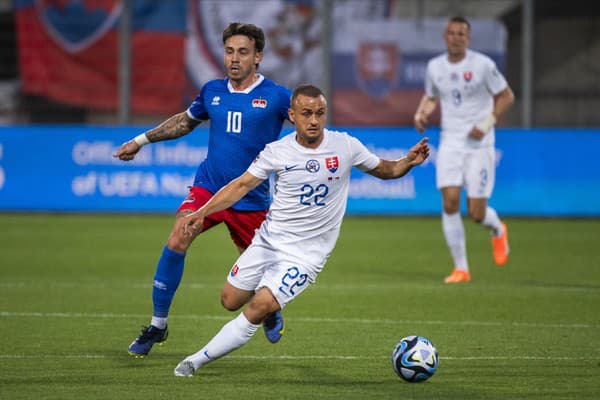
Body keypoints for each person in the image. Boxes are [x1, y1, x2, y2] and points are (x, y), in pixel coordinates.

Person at [172, 84, 430, 377]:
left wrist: (408, 161)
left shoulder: (345, 146)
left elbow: (385, 169)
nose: (314, 120)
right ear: (292, 115)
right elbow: (241, 185)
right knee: (229, 300)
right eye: (306, 113)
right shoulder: (277, 151)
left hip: (307, 254)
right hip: (268, 241)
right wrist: (202, 212)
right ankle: (270, 301)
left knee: (260, 305)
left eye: (320, 113)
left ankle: (194, 361)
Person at [113, 22, 292, 357]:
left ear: (258, 58)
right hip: (208, 188)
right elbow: (184, 121)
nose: (234, 58)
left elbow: (308, 126)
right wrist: (140, 141)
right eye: (229, 51)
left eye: (243, 52)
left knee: (255, 279)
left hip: (251, 199)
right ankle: (157, 325)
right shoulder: (212, 91)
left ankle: (268, 307)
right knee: (180, 233)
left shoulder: (278, 96)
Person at [413, 16, 515, 284]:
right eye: (452, 32)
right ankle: (461, 268)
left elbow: (507, 96)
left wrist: (487, 122)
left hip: (480, 145)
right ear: (445, 36)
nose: (456, 37)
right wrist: (422, 113)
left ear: (468, 39)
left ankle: (497, 228)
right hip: (450, 142)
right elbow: (432, 95)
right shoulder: (435, 67)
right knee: (449, 203)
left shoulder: (482, 65)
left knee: (477, 212)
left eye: (461, 33)